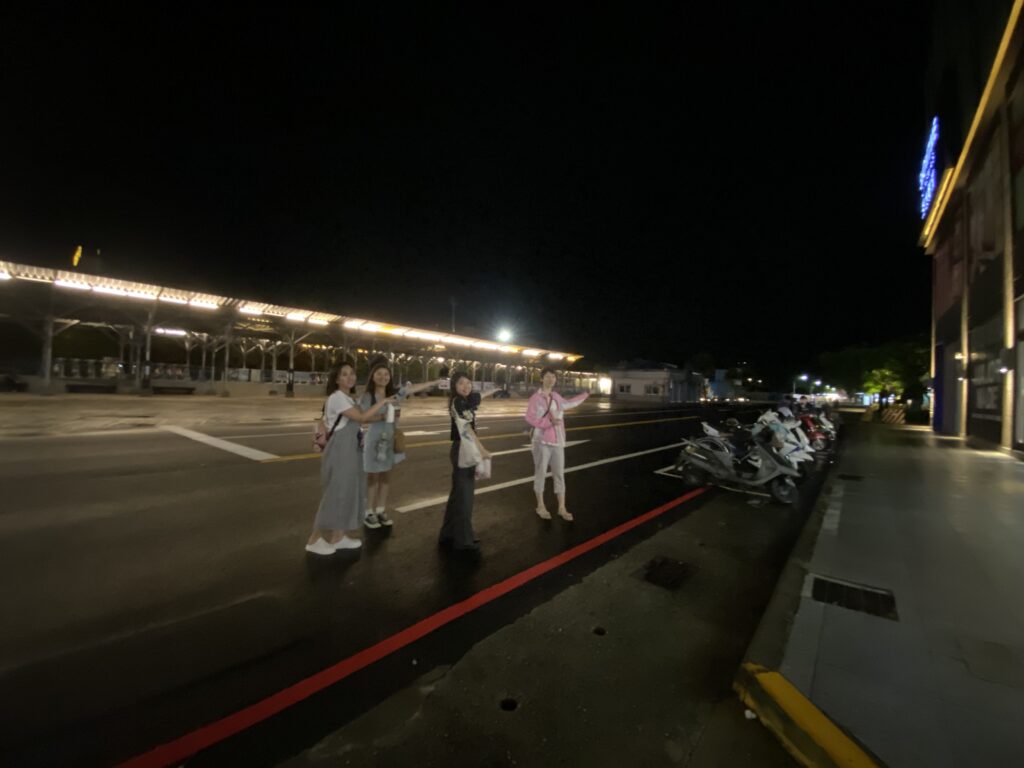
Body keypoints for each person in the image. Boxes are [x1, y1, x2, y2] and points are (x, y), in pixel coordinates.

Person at [306, 360, 397, 556]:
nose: (350, 377)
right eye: (344, 374)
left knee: (347, 492)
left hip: (351, 448)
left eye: (352, 373)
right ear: (336, 379)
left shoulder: (347, 398)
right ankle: (314, 540)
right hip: (340, 449)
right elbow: (361, 417)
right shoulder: (337, 398)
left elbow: (363, 417)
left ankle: (338, 537)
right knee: (335, 493)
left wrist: (382, 418)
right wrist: (382, 402)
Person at [360, 361, 442, 529]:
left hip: (390, 440)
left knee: (386, 476)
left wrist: (433, 382)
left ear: (390, 377)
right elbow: (362, 418)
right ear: (373, 377)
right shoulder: (368, 396)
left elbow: (411, 388)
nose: (383, 377)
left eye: (386, 374)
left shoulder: (395, 395)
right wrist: (381, 417)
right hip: (374, 440)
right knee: (373, 477)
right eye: (379, 374)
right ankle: (368, 512)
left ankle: (381, 510)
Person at [438, 371, 493, 556]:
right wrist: (482, 449)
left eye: (469, 383)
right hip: (463, 448)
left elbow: (479, 396)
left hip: (465, 448)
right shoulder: (457, 402)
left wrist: (492, 391)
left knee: (457, 495)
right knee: (465, 497)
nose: (466, 386)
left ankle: (448, 534)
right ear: (454, 386)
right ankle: (463, 540)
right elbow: (467, 428)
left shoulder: (466, 400)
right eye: (461, 383)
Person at [525, 367, 589, 521]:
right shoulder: (535, 398)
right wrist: (548, 423)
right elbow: (529, 418)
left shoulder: (556, 396)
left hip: (557, 440)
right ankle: (540, 506)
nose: (551, 379)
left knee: (559, 474)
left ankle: (562, 507)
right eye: (547, 376)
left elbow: (569, 404)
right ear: (542, 379)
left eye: (553, 377)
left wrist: (585, 394)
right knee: (540, 473)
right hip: (541, 441)